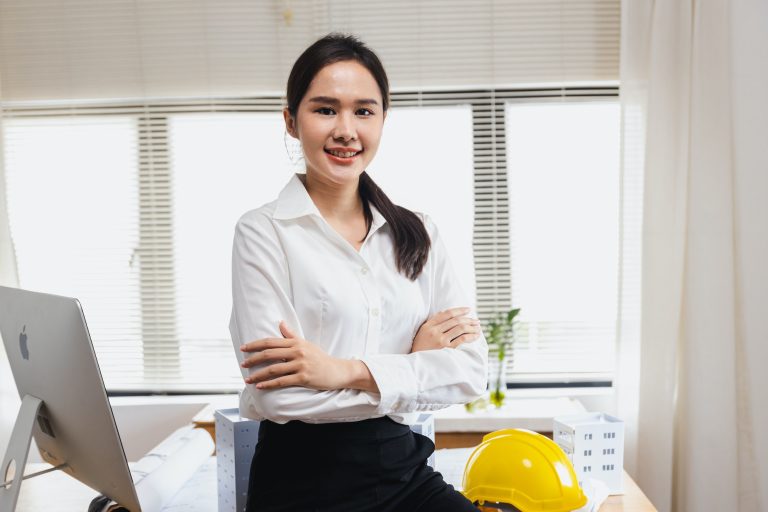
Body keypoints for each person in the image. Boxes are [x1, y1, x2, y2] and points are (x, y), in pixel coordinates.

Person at [229, 33, 489, 512]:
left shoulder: (420, 233)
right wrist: (412, 370)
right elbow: (279, 400)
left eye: (364, 111)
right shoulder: (263, 233)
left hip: (405, 475)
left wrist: (339, 370)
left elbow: (471, 372)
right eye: (325, 110)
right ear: (291, 121)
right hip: (299, 486)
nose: (346, 129)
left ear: (383, 120)